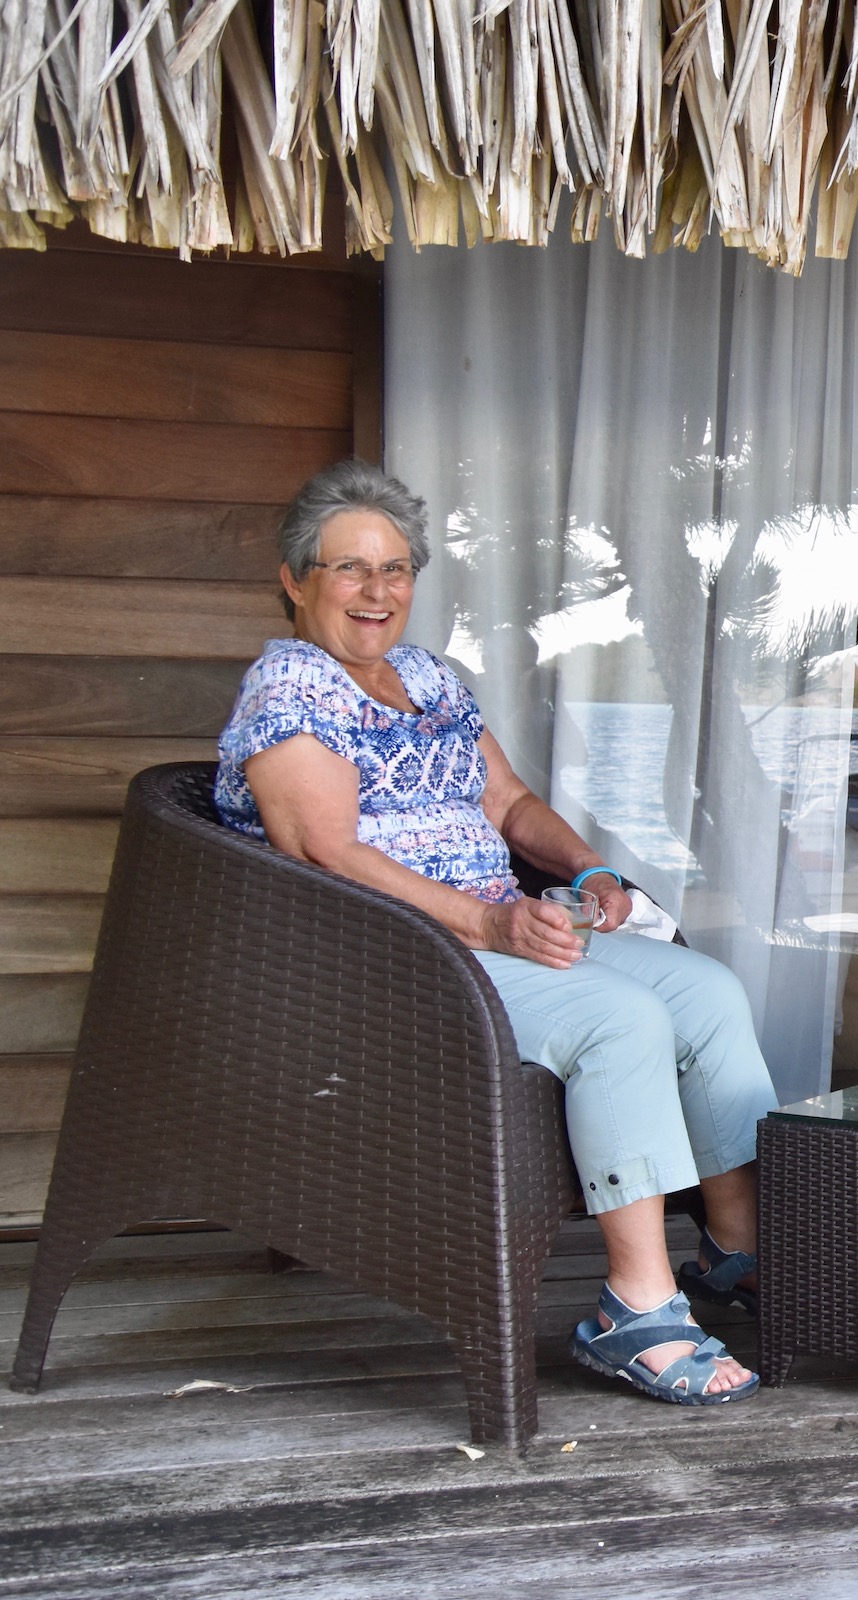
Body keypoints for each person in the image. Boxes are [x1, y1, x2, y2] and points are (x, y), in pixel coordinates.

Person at [216, 460, 776, 1407]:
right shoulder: (289, 690)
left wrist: (590, 872)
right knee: (620, 1017)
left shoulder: (429, 678)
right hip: (391, 954)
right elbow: (325, 847)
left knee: (707, 992)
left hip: (499, 930)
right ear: (294, 578)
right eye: (349, 569)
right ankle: (635, 1310)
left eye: (394, 570)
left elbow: (508, 803)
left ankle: (735, 1249)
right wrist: (490, 920)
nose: (375, 591)